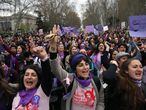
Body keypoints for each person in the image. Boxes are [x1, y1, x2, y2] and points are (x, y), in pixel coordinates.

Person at [47, 25, 104, 110]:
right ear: (75, 69)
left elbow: (101, 101)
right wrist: (53, 47)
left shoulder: (96, 81)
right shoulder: (70, 79)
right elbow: (55, 68)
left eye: (86, 64)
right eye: (80, 65)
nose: (85, 67)